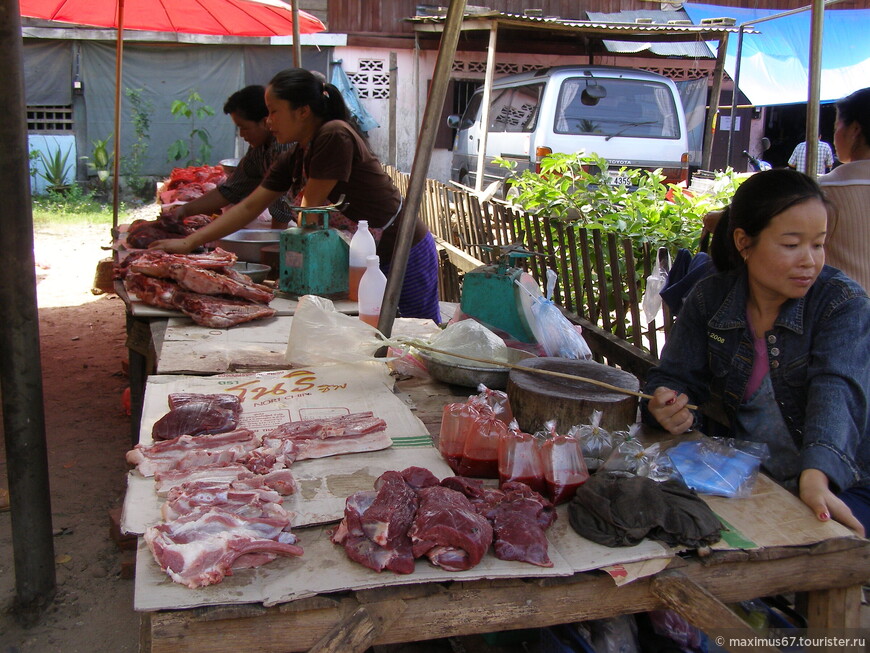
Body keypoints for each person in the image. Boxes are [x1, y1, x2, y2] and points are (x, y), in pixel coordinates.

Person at [641, 169, 870, 536]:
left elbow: (837, 390)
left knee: (813, 554)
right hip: (754, 477)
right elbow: (675, 377)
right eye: (792, 245)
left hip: (845, 482)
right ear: (744, 242)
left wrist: (819, 472)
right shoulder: (710, 298)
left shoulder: (841, 304)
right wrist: (667, 404)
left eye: (818, 244)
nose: (809, 261)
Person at [151, 68, 441, 324]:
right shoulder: (297, 151)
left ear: (302, 111)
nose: (268, 121)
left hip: (400, 253)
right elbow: (251, 204)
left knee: (413, 336)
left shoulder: (334, 135)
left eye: (274, 111)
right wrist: (189, 241)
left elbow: (309, 210)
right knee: (375, 341)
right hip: (361, 261)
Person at [166, 85, 298, 227]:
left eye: (244, 127)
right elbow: (231, 190)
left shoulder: (284, 147)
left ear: (265, 122)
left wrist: (276, 241)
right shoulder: (258, 151)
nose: (241, 135)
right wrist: (183, 210)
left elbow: (280, 203)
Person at [819, 87, 870, 292]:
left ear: (854, 130)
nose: (835, 135)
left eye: (836, 125)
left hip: (845, 315)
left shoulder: (823, 191)